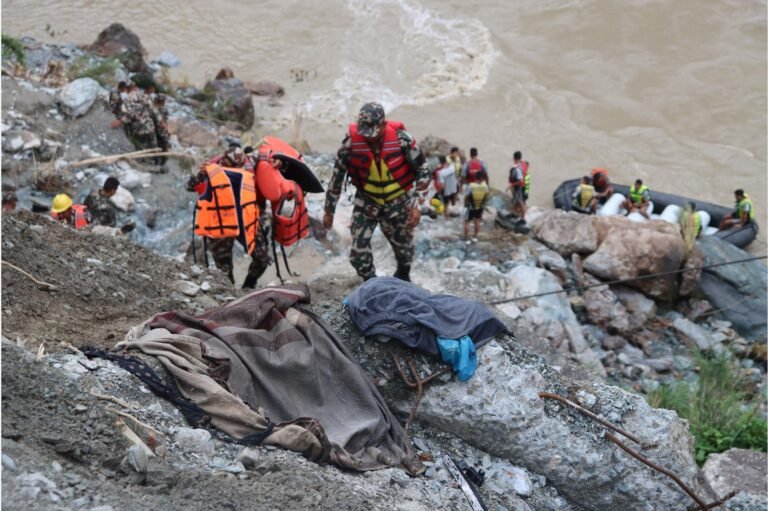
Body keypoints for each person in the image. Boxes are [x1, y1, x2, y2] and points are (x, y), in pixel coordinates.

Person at [322, 102, 430, 282]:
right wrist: (328, 211)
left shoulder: (402, 140)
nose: (369, 138)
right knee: (358, 254)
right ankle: (372, 284)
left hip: (398, 202)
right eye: (365, 132)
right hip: (367, 202)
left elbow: (423, 170)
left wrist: (417, 206)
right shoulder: (350, 144)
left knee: (404, 251)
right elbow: (336, 179)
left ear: (383, 124)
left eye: (373, 132)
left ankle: (403, 276)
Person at [188, 143, 271, 288]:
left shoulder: (250, 164)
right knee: (224, 271)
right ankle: (230, 293)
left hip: (245, 220)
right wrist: (202, 173)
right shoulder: (212, 170)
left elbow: (270, 159)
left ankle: (248, 286)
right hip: (221, 223)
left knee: (262, 259)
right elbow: (190, 185)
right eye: (225, 165)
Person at [464, 170, 490, 242]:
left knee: (467, 222)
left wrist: (465, 204)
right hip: (480, 206)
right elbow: (486, 195)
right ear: (482, 178)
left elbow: (466, 197)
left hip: (471, 206)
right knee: (477, 221)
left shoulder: (471, 186)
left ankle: (467, 239)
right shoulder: (485, 186)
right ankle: (475, 237)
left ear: (476, 177)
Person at [507, 151, 528, 224]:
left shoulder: (517, 168)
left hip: (519, 187)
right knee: (516, 200)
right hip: (523, 186)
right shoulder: (523, 163)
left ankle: (523, 219)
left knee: (520, 202)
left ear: (514, 158)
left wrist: (511, 185)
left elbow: (520, 180)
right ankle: (513, 213)